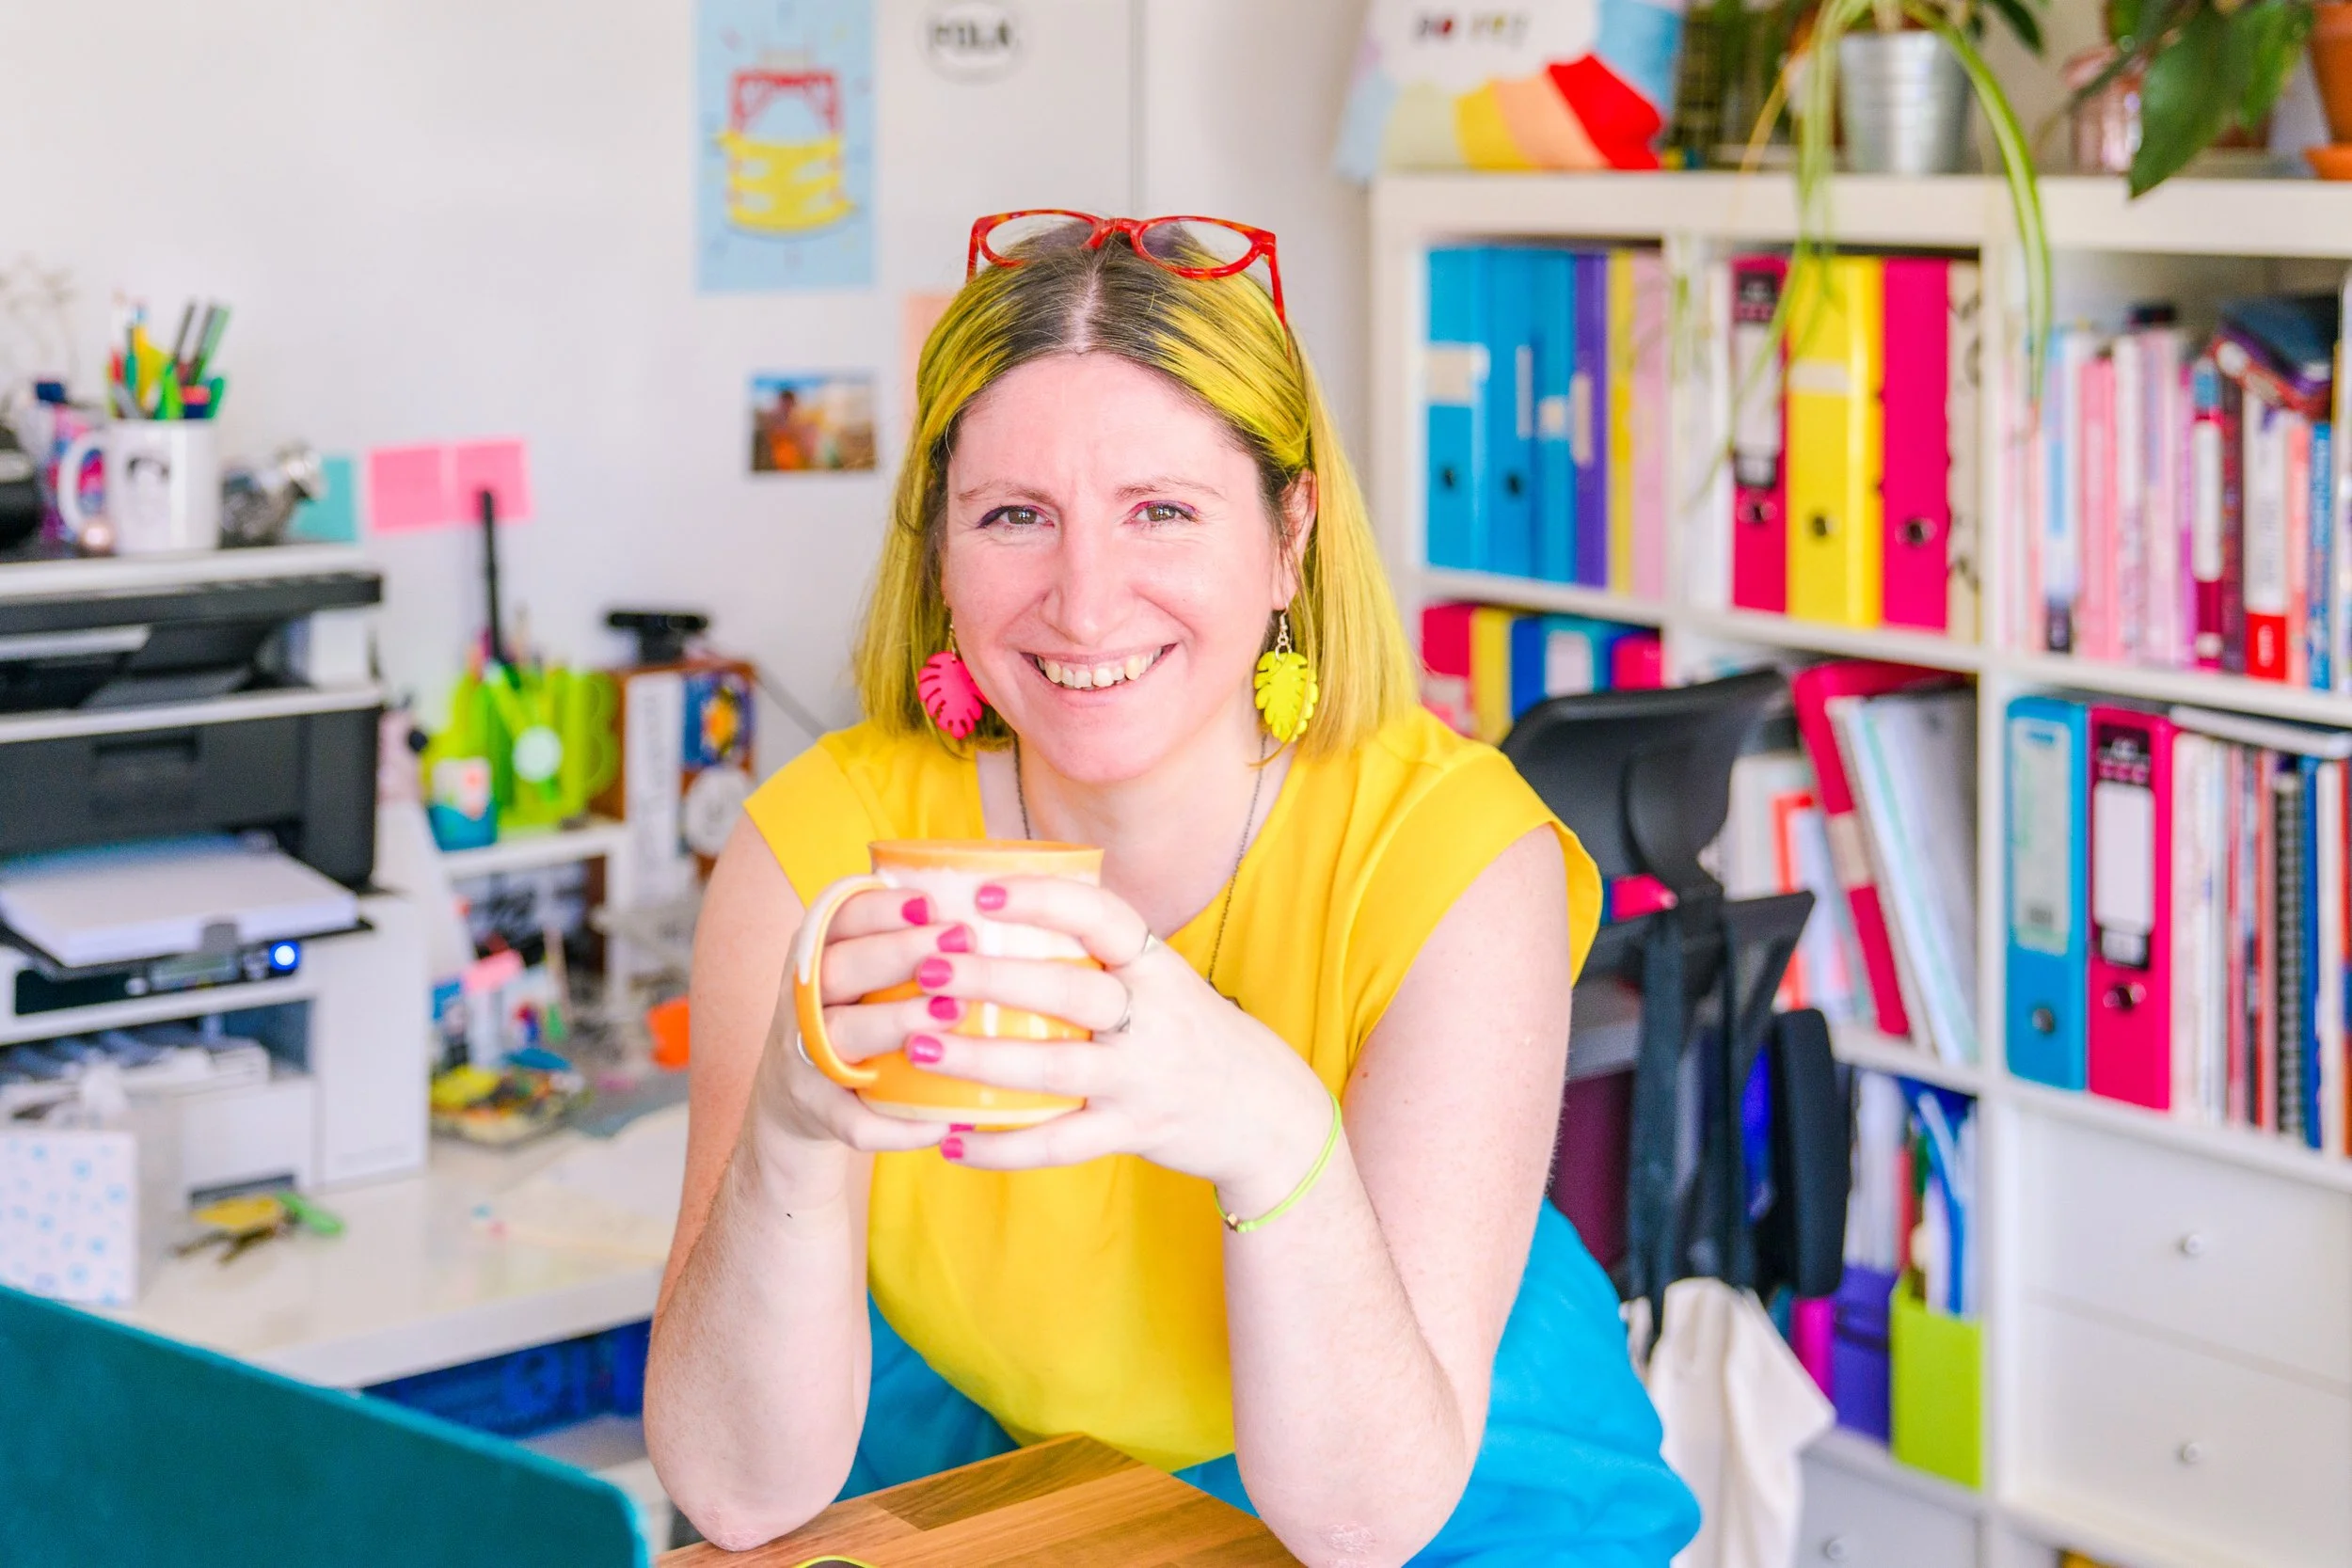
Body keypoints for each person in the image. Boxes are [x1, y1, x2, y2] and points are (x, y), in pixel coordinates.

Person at [645, 211, 1698, 1567]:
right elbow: (734, 1496)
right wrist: (791, 1126)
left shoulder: (1451, 856)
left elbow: (1367, 1519)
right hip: (1055, 1489)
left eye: (1162, 511)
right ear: (941, 554)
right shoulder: (819, 855)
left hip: (1457, 1490)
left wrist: (1270, 1130)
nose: (1085, 604)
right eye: (1016, 516)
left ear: (1287, 536)